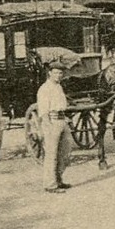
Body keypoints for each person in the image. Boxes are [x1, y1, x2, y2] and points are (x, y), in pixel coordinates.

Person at [37, 63, 72, 193]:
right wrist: (48, 125)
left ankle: (58, 179)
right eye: (56, 73)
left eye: (60, 73)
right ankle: (50, 184)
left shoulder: (58, 87)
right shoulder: (44, 89)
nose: (58, 75)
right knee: (51, 154)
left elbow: (62, 105)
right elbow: (43, 111)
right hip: (51, 121)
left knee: (66, 152)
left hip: (62, 120)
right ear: (50, 73)